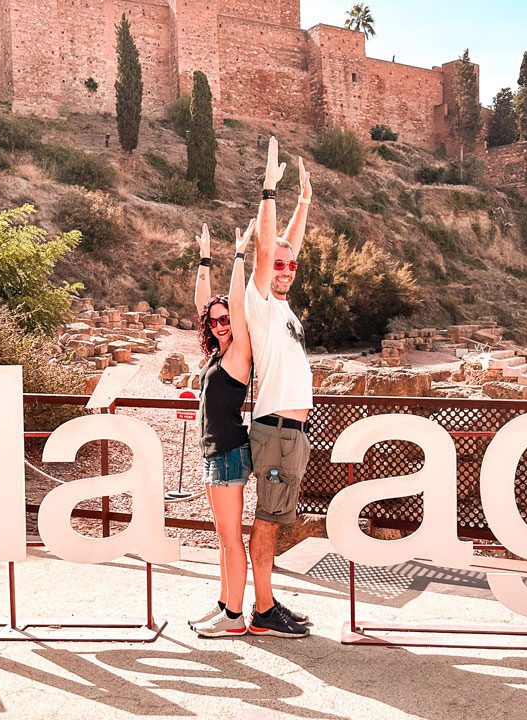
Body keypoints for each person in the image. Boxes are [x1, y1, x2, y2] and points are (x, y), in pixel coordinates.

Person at [243, 137, 313, 638]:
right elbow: (269, 249)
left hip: (292, 432)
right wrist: (269, 190)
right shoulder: (262, 302)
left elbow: (287, 246)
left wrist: (304, 203)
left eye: (292, 266)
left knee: (276, 516)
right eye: (278, 267)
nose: (285, 269)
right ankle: (263, 611)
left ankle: (269, 601)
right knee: (268, 519)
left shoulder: (283, 306)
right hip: (275, 430)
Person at [189, 220, 258, 637]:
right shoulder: (217, 354)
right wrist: (205, 257)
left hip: (231, 452)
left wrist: (237, 255)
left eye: (225, 318)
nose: (219, 323)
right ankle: (223, 604)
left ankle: (235, 618)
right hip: (215, 453)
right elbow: (203, 302)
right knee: (222, 537)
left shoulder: (240, 353)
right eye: (213, 321)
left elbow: (233, 301)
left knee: (232, 539)